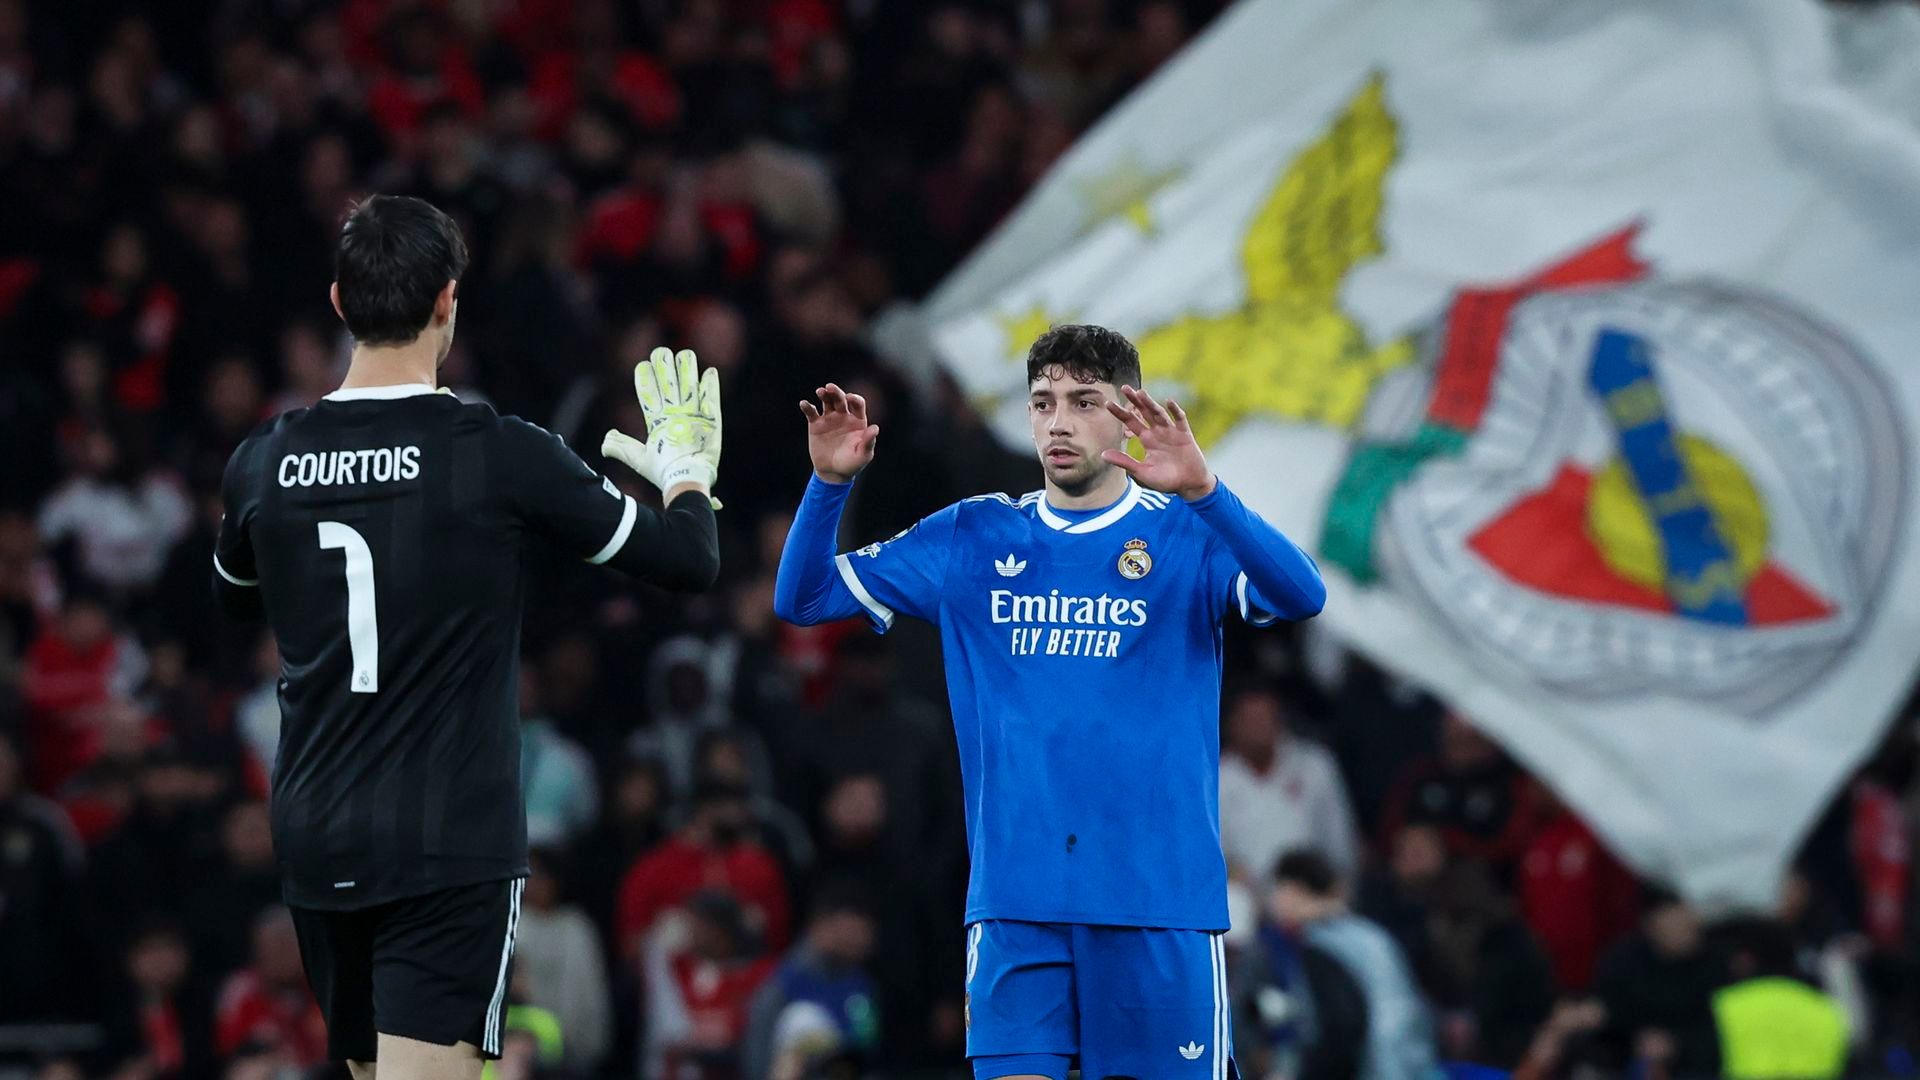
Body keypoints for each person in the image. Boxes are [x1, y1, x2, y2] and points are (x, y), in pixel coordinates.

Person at [211, 194, 724, 1080]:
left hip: (318, 831)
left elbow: (234, 602)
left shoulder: (262, 461)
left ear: (339, 303)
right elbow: (685, 561)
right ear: (449, 300)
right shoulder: (496, 451)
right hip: (442, 839)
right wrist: (683, 474)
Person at [773, 323, 1326, 1080]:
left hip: (1156, 903)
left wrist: (1206, 493)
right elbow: (802, 598)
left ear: (1127, 412)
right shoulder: (972, 534)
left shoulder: (1184, 534)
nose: (1057, 422)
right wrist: (830, 484)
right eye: (1042, 402)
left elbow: (1302, 594)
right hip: (1016, 905)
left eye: (1082, 401)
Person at [1270, 850, 1438, 1080]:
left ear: (1294, 890)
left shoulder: (1323, 945)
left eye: (1277, 890)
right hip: (1413, 1064)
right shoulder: (1370, 934)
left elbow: (1342, 1028)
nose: (1273, 902)